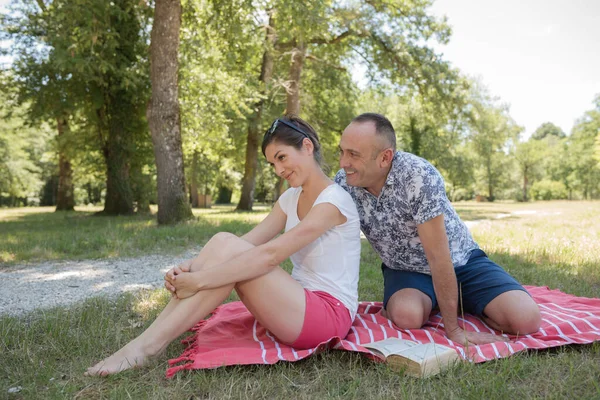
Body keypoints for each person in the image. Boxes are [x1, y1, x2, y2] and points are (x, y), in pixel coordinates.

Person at [86, 116, 361, 376]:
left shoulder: (334, 201)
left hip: (328, 317)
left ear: (307, 146)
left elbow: (270, 255)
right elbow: (244, 243)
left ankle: (146, 348)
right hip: (296, 306)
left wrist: (199, 281)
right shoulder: (291, 198)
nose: (278, 170)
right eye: (272, 164)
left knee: (231, 254)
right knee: (223, 240)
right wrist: (191, 267)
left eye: (281, 157)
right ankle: (145, 342)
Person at [334, 113, 541, 345]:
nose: (343, 163)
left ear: (385, 157)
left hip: (461, 261)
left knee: (527, 320)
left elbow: (438, 257)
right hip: (406, 269)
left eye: (353, 154)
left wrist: (453, 330)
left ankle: (459, 300)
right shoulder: (343, 184)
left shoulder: (419, 177)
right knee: (406, 316)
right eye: (341, 151)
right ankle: (447, 300)